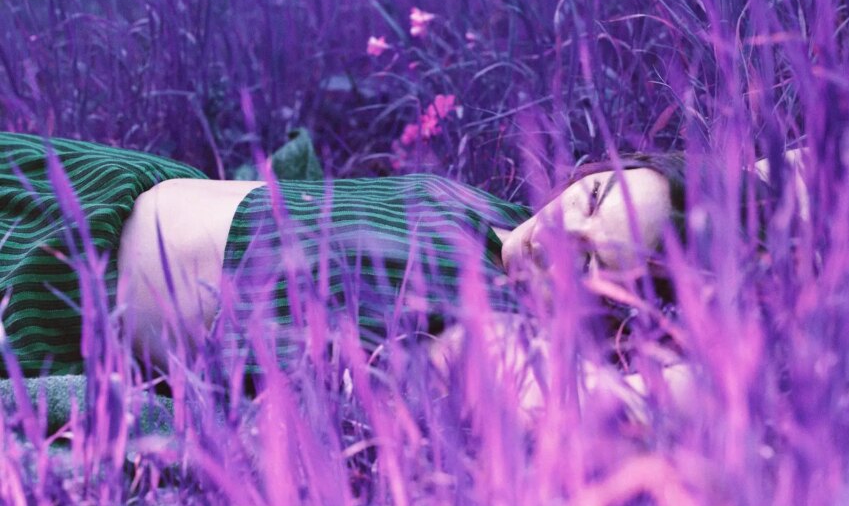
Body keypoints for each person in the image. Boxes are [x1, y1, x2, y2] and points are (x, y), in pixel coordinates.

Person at [0, 132, 697, 378]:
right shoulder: (496, 216)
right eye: (595, 197)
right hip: (103, 182)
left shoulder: (489, 321)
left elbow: (591, 405)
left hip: (55, 283)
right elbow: (774, 173)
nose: (558, 238)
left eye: (592, 266)